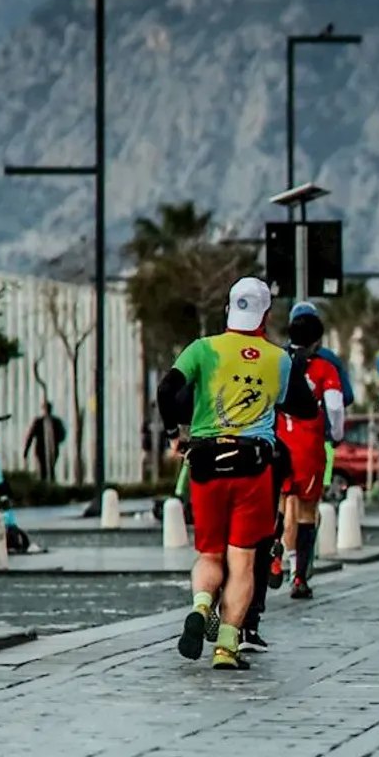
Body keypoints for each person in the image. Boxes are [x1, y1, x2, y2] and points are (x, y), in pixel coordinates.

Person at [157, 277, 316, 671]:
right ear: (266, 316)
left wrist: (174, 433)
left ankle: (200, 606)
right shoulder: (278, 359)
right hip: (253, 467)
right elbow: (307, 408)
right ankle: (227, 646)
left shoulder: (202, 349)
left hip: (206, 464)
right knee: (242, 561)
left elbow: (166, 389)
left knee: (209, 554)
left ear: (228, 309)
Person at [275, 303, 347, 599]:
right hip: (308, 447)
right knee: (306, 512)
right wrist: (337, 435)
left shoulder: (277, 362)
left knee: (281, 506)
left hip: (279, 443)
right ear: (318, 340)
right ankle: (299, 576)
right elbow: (335, 406)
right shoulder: (324, 367)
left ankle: (276, 555)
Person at [23, 402, 67, 483]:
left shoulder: (42, 421)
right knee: (47, 468)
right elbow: (30, 436)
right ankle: (49, 483)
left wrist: (26, 451)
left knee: (46, 468)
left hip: (47, 449)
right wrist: (26, 451)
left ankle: (47, 483)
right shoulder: (51, 421)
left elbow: (30, 437)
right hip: (45, 449)